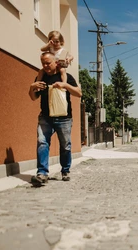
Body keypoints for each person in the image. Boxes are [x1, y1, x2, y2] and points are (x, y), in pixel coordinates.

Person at [29, 52, 82, 186]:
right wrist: (32, 88)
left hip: (64, 118)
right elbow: (33, 97)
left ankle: (65, 170)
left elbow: (79, 93)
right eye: (43, 63)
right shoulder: (41, 78)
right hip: (45, 117)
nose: (45, 66)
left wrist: (65, 86)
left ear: (55, 62)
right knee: (42, 142)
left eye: (48, 63)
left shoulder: (65, 76)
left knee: (65, 145)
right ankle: (42, 173)